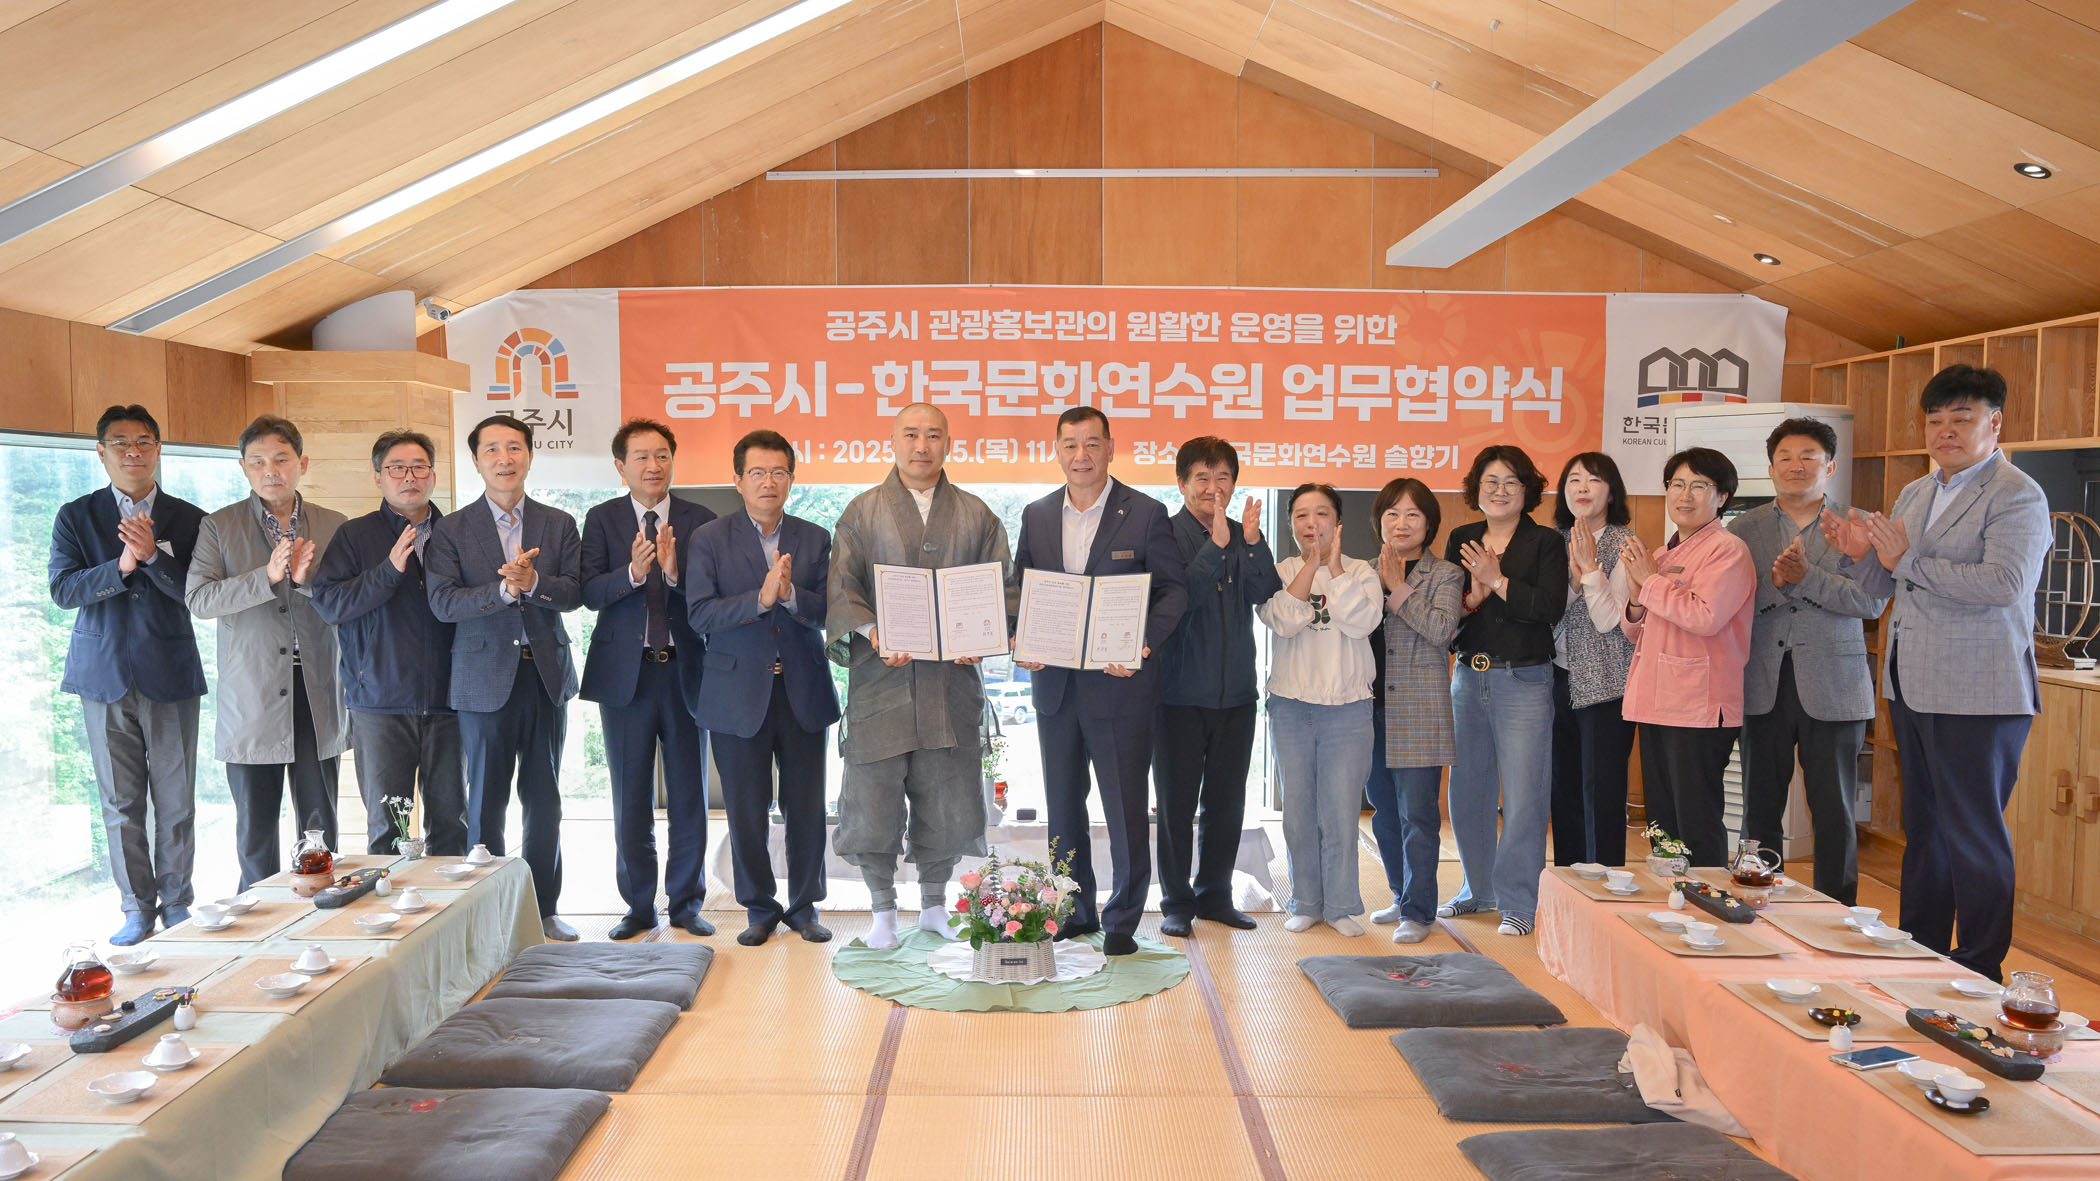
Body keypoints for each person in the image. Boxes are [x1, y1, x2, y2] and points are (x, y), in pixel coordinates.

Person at [1825, 365, 2050, 980]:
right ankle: (1920, 947)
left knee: (1973, 830)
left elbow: (2004, 584)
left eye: (1961, 418)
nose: (1945, 431)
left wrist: (1904, 560)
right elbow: (1887, 583)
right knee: (1923, 826)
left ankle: (1978, 965)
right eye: (1935, 420)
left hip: (1981, 690)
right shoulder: (1915, 492)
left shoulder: (2017, 493)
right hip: (1913, 683)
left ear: (1994, 423)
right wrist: (1859, 557)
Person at [826, 404, 1012, 951]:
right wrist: (873, 632)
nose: (922, 446)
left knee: (949, 798)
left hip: (950, 686)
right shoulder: (862, 512)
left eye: (933, 435)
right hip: (882, 680)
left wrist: (981, 637)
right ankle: (882, 911)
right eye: (911, 434)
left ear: (949, 443)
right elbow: (843, 587)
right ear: (893, 441)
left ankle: (934, 905)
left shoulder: (977, 515)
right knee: (872, 800)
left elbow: (1002, 588)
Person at [1012, 406, 1187, 957]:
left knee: (1125, 809)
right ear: (1056, 450)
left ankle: (1122, 920)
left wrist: (1143, 644)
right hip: (1056, 687)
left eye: (1092, 443)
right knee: (1063, 809)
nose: (1081, 455)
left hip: (1120, 685)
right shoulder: (1037, 514)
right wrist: (1022, 637)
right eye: (1070, 444)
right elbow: (1022, 588)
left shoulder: (1146, 512)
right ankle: (1074, 909)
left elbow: (1173, 591)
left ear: (1111, 448)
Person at [49, 405, 208, 943]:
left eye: (143, 441)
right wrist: (120, 566)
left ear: (158, 449)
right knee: (119, 803)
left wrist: (154, 558)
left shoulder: (190, 518)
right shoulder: (76, 515)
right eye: (120, 443)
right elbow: (63, 590)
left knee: (177, 800)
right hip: (103, 676)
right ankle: (136, 908)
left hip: (171, 674)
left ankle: (177, 903)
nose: (132, 452)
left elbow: (199, 594)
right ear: (101, 452)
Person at [426, 414, 585, 941]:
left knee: (545, 800)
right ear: (476, 461)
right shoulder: (451, 529)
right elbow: (443, 603)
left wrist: (535, 582)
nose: (504, 458)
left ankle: (543, 911)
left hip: (545, 677)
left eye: (514, 447)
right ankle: (489, 917)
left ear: (530, 456)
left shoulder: (558, 523)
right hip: (481, 680)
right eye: (492, 449)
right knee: (485, 802)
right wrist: (503, 591)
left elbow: (574, 593)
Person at [688, 431, 841, 946]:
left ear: (792, 480)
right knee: (746, 809)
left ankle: (804, 906)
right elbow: (699, 614)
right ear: (738, 480)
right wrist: (760, 598)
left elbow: (831, 610)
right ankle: (758, 907)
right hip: (735, 694)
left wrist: (792, 594)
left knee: (806, 808)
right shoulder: (709, 538)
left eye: (778, 472)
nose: (768, 482)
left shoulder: (815, 538)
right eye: (757, 472)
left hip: (802, 690)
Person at [185, 416, 347, 891]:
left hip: (317, 689)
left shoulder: (335, 524)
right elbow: (200, 600)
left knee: (319, 825)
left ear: (302, 464)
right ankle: (259, 915)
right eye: (257, 462)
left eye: (281, 459)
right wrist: (268, 576)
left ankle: (322, 909)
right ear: (243, 468)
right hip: (252, 694)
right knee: (255, 828)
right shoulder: (219, 526)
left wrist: (306, 581)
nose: (270, 470)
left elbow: (348, 601)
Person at [1730, 419, 1886, 905]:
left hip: (1835, 685)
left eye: (1808, 456)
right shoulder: (1744, 528)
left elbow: (1871, 602)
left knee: (1835, 810)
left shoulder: (1859, 525)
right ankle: (1757, 902)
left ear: (1830, 466)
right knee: (1759, 807)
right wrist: (1778, 586)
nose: (1795, 466)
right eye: (1785, 457)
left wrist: (1806, 578)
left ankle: (1836, 912)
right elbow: (1732, 603)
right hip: (1762, 683)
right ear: (1771, 468)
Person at [580, 419, 718, 940]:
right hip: (626, 677)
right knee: (630, 795)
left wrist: (674, 572)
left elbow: (712, 594)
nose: (653, 466)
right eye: (640, 457)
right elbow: (587, 592)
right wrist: (634, 574)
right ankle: (639, 906)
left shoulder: (700, 520)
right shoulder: (602, 519)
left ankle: (686, 903)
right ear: (621, 467)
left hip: (687, 670)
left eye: (662, 455)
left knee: (689, 794)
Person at [309, 431, 463, 859]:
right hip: (379, 702)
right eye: (396, 468)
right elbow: (330, 604)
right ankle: (388, 902)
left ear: (433, 475)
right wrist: (389, 570)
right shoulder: (354, 535)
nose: (408, 477)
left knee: (452, 824)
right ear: (378, 477)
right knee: (387, 827)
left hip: (452, 702)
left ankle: (448, 904)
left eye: (418, 467)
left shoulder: (456, 532)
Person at [1151, 437, 1278, 937]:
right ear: (1182, 483)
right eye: (1201, 477)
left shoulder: (1245, 535)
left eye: (1222, 477)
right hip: (1177, 696)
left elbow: (1265, 593)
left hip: (1237, 695)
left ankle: (1215, 895)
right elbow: (1176, 601)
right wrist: (1217, 547)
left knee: (1227, 804)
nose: (1212, 487)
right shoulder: (1163, 532)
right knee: (1176, 806)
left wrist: (1252, 541)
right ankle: (1176, 902)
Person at [1440, 446, 1566, 937]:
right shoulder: (1462, 538)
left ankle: (1519, 899)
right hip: (1467, 676)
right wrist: (1472, 599)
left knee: (1523, 795)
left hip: (1523, 679)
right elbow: (1448, 608)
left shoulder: (1545, 542)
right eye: (1490, 481)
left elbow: (1550, 607)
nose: (1499, 490)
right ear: (1477, 488)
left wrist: (1498, 580)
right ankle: (1477, 890)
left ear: (1527, 490)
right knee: (1468, 791)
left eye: (1511, 482)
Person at [1620, 447, 1757, 869]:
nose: (1685, 495)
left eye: (1699, 486)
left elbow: (1705, 617)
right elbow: (1636, 632)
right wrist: (1637, 599)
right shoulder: (1662, 555)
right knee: (1662, 818)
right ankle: (1671, 892)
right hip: (1655, 699)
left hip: (1698, 705)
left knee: (1695, 816)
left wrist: (1649, 583)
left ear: (1722, 497)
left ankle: (1708, 894)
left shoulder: (1728, 550)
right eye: (1677, 484)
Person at [1260, 484, 1382, 936]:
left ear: (1338, 522)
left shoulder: (1361, 571)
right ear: (1291, 525)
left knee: (1341, 810)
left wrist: (1333, 568)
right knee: (1298, 812)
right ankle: (1306, 901)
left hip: (1348, 709)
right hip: (1291, 707)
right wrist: (1312, 566)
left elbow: (1361, 622)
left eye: (1322, 514)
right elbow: (1284, 621)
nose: (1312, 524)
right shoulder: (1281, 571)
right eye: (1302, 516)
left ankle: (1342, 906)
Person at [1364, 478, 1464, 944]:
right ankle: (1400, 894)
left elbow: (1442, 630)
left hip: (1419, 710)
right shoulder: (1361, 571)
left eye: (1412, 515)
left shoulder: (1445, 574)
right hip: (1368, 708)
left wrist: (1398, 587)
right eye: (1392, 514)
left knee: (1418, 817)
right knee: (1383, 812)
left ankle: (1420, 912)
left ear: (1429, 524)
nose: (1401, 523)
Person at [1550, 453, 1639, 867]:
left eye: (1594, 480)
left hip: (1607, 685)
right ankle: (1568, 880)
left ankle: (1606, 879)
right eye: (1574, 479)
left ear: (1612, 492)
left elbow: (1609, 621)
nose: (1582, 488)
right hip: (1555, 678)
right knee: (1563, 787)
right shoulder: (1552, 541)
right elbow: (1546, 616)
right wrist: (1571, 581)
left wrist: (1589, 570)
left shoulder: (1626, 544)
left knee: (1601, 790)